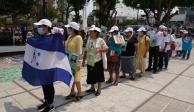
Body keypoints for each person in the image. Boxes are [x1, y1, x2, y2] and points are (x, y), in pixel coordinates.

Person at [84, 26, 108, 96]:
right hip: (90, 61)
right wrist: (83, 60)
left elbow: (106, 49)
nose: (89, 33)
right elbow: (86, 50)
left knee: (99, 75)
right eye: (90, 31)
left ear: (95, 33)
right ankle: (92, 88)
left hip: (97, 61)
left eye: (91, 32)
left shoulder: (100, 40)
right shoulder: (89, 39)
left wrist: (99, 50)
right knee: (90, 75)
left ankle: (99, 89)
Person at [65, 22, 83, 101]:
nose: (68, 29)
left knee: (77, 79)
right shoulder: (69, 37)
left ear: (73, 29)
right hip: (69, 60)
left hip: (76, 61)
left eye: (69, 28)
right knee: (71, 78)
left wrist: (77, 62)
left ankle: (79, 93)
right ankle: (72, 92)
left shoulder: (78, 37)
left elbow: (79, 52)